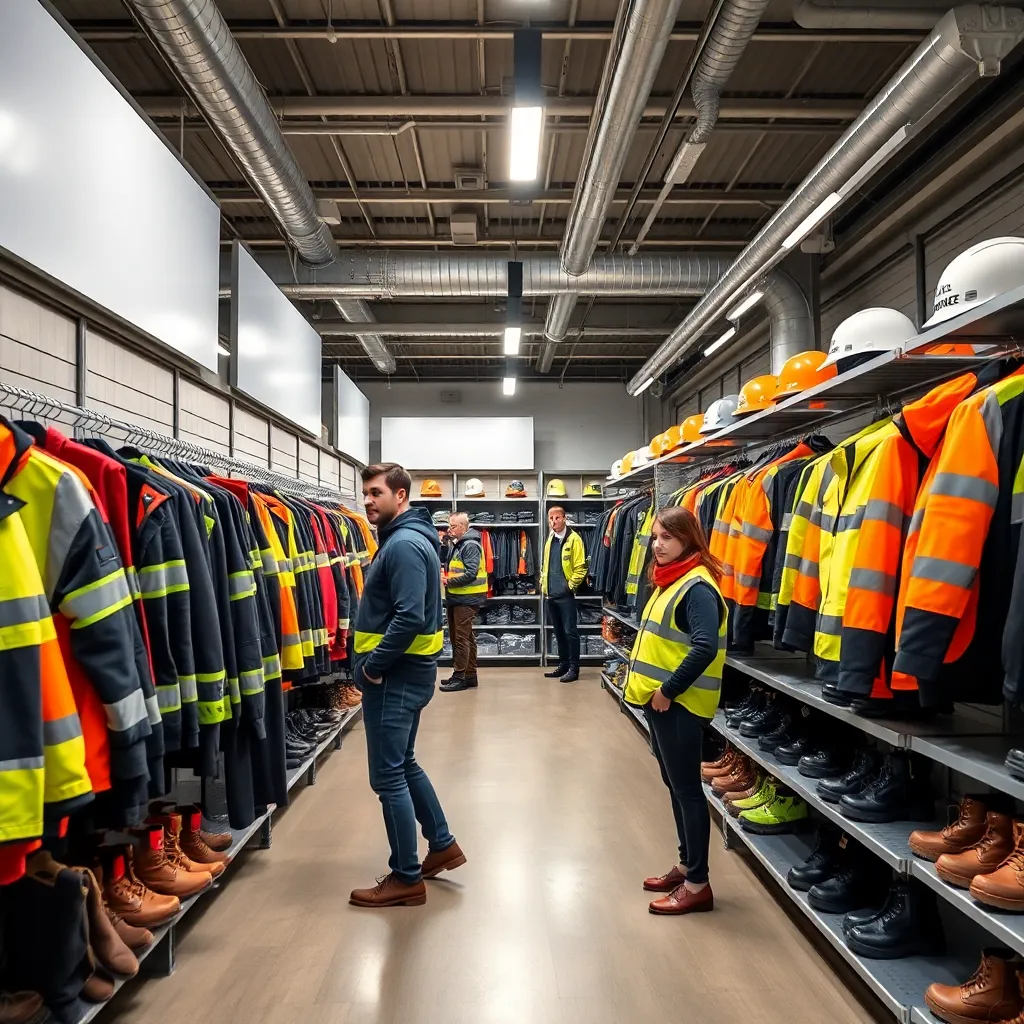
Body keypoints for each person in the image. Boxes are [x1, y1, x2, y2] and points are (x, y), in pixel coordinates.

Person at [350, 463, 466, 908]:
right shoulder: (408, 538)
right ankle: (441, 844)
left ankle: (405, 876)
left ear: (400, 496)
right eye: (365, 493)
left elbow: (410, 616)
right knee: (405, 763)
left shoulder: (402, 545)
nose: (367, 500)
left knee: (387, 776)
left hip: (395, 675)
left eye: (376, 492)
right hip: (407, 672)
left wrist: (374, 666)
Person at [623, 506, 726, 916]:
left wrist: (668, 689)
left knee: (687, 791)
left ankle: (698, 883)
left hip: (680, 705)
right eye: (654, 536)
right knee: (675, 785)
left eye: (666, 537)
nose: (656, 544)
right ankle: (686, 865)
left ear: (687, 539)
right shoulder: (673, 581)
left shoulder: (697, 587)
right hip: (662, 705)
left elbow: (704, 647)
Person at [441, 512, 487, 692]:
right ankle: (469, 675)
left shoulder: (470, 545)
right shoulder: (459, 544)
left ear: (462, 527)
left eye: (452, 526)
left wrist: (448, 581)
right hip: (457, 597)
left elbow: (471, 573)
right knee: (465, 637)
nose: (449, 529)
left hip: (466, 598)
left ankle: (460, 676)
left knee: (461, 639)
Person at [541, 505, 587, 683]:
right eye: (550, 519)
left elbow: (581, 567)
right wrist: (544, 586)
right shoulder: (550, 538)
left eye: (557, 518)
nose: (553, 522)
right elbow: (546, 566)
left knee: (570, 632)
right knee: (559, 632)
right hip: (550, 594)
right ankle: (564, 665)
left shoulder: (574, 539)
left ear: (564, 518)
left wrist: (569, 587)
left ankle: (574, 668)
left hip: (565, 595)